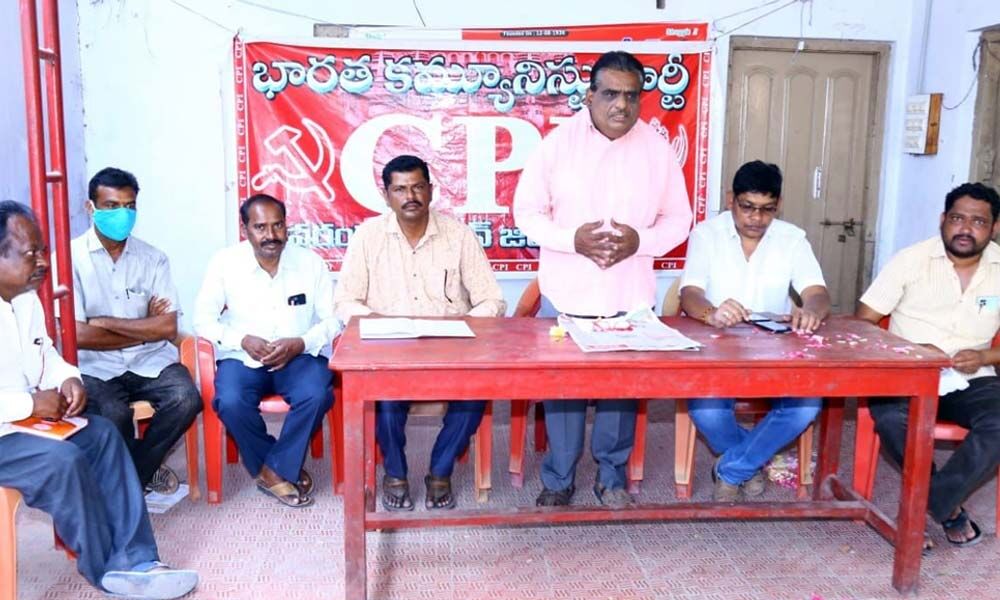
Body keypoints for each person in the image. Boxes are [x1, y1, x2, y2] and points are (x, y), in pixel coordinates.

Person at [514, 51, 692, 508]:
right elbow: (526, 213)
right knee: (564, 393)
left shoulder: (656, 149)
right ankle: (558, 478)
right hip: (567, 293)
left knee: (620, 393)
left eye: (632, 96)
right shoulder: (557, 144)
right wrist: (572, 238)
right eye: (610, 94)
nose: (621, 106)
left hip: (628, 295)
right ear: (589, 96)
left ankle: (611, 477)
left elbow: (679, 220)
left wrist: (642, 242)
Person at [0, 201, 197, 599]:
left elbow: (47, 356)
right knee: (64, 460)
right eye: (30, 253)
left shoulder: (26, 300)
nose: (41, 261)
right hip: (7, 432)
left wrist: (69, 379)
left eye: (42, 250)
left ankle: (140, 559)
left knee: (104, 434)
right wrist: (29, 405)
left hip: (24, 427)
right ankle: (109, 571)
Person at [334, 155, 506, 511]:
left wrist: (462, 327)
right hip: (391, 349)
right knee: (384, 397)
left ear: (431, 191)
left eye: (417, 187)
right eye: (400, 189)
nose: (409, 196)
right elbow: (344, 302)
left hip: (450, 350)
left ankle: (440, 472)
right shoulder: (368, 237)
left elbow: (492, 300)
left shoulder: (458, 235)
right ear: (386, 196)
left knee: (475, 395)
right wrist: (380, 321)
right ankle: (395, 473)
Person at [857, 182, 1000, 547]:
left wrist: (984, 356)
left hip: (972, 376)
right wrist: (910, 351)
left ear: (994, 227)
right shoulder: (911, 260)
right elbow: (862, 323)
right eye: (957, 218)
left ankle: (931, 501)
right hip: (907, 373)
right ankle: (949, 509)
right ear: (943, 220)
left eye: (978, 222)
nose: (965, 228)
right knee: (890, 419)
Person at [679, 160, 829, 501]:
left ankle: (732, 469)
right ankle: (752, 461)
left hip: (774, 351)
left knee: (805, 406)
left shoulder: (792, 239)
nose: (756, 219)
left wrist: (811, 312)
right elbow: (690, 294)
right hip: (718, 348)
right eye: (747, 208)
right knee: (706, 409)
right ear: (731, 199)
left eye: (767, 210)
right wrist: (711, 313)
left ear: (777, 206)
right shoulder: (707, 234)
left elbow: (817, 293)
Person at [194, 193, 341, 508]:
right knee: (230, 401)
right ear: (245, 229)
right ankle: (278, 468)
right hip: (244, 357)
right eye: (260, 227)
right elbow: (202, 321)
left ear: (287, 226)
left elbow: (335, 319)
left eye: (277, 226)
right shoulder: (225, 263)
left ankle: (272, 470)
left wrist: (301, 342)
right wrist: (241, 339)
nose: (271, 235)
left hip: (298, 356)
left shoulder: (310, 263)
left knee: (318, 394)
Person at [72, 167, 201, 493]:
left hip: (149, 359)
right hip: (94, 365)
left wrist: (105, 322)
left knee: (186, 398)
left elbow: (167, 326)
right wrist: (146, 327)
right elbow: (78, 335)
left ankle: (134, 475)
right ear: (91, 208)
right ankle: (142, 473)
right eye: (112, 206)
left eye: (129, 206)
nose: (122, 214)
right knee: (112, 414)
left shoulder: (153, 259)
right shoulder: (70, 260)